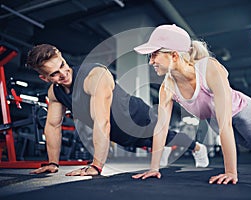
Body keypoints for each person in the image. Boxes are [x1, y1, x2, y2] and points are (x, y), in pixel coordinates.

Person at [132, 24, 251, 184]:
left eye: (154, 55)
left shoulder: (209, 68)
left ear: (173, 56)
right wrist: (154, 168)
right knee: (245, 143)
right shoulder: (167, 87)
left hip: (242, 109)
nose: (150, 62)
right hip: (213, 117)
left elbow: (225, 124)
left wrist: (230, 172)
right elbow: (161, 128)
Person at [25, 44, 209, 176]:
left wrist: (96, 166)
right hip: (118, 133)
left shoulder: (94, 76)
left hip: (137, 116)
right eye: (54, 74)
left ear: (64, 59)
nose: (63, 74)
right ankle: (161, 148)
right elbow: (53, 126)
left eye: (63, 65)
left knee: (166, 136)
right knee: (148, 143)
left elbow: (102, 121)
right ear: (44, 78)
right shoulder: (55, 92)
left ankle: (198, 148)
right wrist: (52, 163)